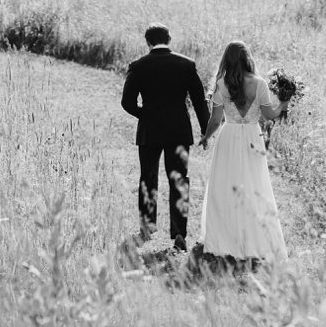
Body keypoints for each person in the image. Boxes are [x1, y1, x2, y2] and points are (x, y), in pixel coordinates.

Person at [121, 24, 210, 252]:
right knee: (179, 179)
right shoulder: (186, 64)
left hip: (150, 131)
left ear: (147, 42)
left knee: (148, 178)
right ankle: (179, 233)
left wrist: (145, 114)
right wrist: (205, 130)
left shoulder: (138, 66)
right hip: (178, 130)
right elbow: (199, 101)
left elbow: (127, 102)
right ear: (169, 39)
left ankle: (147, 226)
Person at [200, 41, 289, 264]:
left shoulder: (221, 84)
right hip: (252, 137)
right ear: (248, 58)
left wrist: (205, 137)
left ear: (226, 60)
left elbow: (215, 120)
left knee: (224, 187)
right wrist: (283, 104)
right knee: (254, 186)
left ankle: (225, 238)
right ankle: (252, 239)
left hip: (228, 137)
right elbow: (270, 115)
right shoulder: (259, 84)